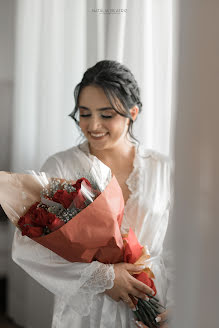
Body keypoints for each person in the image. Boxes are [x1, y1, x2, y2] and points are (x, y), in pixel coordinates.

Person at [12, 60, 174, 328]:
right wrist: (104, 277)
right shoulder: (60, 167)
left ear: (133, 113)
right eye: (85, 113)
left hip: (155, 301)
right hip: (87, 310)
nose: (93, 125)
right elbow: (27, 248)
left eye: (107, 114)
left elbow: (180, 246)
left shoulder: (163, 169)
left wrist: (178, 307)